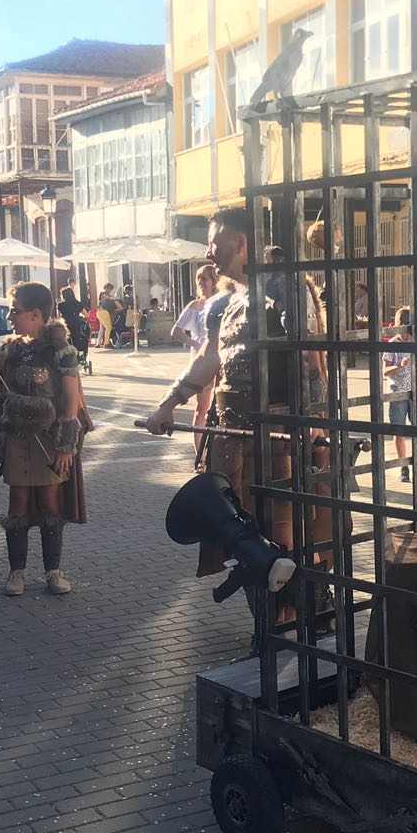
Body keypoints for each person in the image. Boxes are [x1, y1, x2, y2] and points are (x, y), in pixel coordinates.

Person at [144, 208, 332, 626]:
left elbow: (312, 362)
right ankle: (266, 628)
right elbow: (209, 360)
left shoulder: (287, 288)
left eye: (215, 241)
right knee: (244, 537)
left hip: (281, 434)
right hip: (233, 436)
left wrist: (314, 424)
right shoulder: (223, 304)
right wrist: (168, 403)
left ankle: (299, 621)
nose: (210, 250)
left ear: (240, 241)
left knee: (284, 534)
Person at [0, 281, 87, 597]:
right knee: (17, 505)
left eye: (14, 310)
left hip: (49, 440)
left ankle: (53, 571)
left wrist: (65, 446)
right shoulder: (10, 350)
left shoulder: (63, 351)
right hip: (18, 440)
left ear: (35, 314)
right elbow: (0, 400)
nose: (10, 317)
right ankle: (16, 572)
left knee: (50, 504)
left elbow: (71, 400)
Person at [170, 264, 219, 460]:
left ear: (214, 280)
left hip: (221, 360)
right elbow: (176, 331)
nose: (200, 282)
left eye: (204, 278)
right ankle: (200, 454)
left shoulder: (221, 302)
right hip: (202, 362)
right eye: (199, 278)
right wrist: (194, 343)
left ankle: (216, 453)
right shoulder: (194, 306)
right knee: (202, 409)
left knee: (221, 410)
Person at [383, 307, 414, 483]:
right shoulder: (393, 344)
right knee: (399, 431)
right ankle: (403, 466)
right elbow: (385, 371)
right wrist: (400, 366)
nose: (408, 336)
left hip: (414, 392)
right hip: (397, 392)